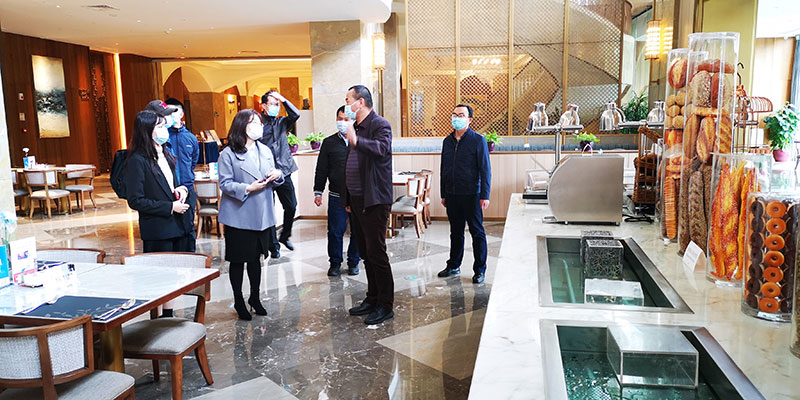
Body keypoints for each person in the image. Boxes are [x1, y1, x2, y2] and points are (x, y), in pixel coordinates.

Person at [218, 109, 284, 321]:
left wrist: (278, 174)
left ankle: (255, 297)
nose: (258, 126)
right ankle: (238, 300)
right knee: (238, 261)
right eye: (253, 122)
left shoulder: (264, 149)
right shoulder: (228, 154)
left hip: (262, 215)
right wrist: (247, 188)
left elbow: (274, 174)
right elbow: (225, 184)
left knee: (256, 259)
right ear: (241, 126)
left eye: (259, 122)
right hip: (239, 215)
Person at [341, 85, 395, 325]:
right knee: (365, 252)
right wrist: (347, 199)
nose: (346, 105)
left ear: (360, 102)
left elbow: (381, 149)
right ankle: (372, 298)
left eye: (348, 100)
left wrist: (356, 139)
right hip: (357, 199)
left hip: (374, 199)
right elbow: (349, 163)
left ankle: (385, 304)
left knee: (376, 252)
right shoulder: (356, 126)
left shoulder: (380, 124)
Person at [437, 104, 492, 284]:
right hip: (452, 194)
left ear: (469, 120)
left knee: (477, 232)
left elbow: (485, 169)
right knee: (456, 232)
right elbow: (444, 169)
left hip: (472, 194)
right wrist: (443, 192)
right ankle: (454, 265)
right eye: (454, 114)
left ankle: (480, 269)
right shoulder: (447, 141)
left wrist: (485, 195)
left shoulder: (478, 140)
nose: (456, 118)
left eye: (461, 115)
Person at [124, 110, 192, 254]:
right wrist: (170, 207)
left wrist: (182, 190)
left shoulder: (165, 153)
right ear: (146, 131)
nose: (164, 130)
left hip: (178, 226)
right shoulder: (137, 160)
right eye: (159, 126)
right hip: (158, 231)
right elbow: (136, 200)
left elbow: (170, 185)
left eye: (164, 126)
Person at [313, 106, 361, 277]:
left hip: (357, 195)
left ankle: (354, 262)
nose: (343, 122)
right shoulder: (329, 142)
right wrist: (318, 192)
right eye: (340, 119)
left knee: (358, 231)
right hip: (336, 195)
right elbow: (321, 169)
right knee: (335, 231)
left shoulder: (361, 141)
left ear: (354, 121)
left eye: (346, 119)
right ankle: (335, 263)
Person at [259, 90, 300, 257]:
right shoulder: (258, 124)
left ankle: (284, 235)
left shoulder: (282, 122)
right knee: (269, 210)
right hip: (266, 173)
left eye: (277, 104)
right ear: (263, 106)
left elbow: (296, 114)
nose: (275, 107)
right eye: (272, 104)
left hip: (283, 171)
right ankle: (273, 246)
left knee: (291, 206)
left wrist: (283, 99)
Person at [165, 98, 199, 249]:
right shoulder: (163, 136)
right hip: (168, 191)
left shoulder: (191, 138)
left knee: (188, 228)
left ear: (181, 114)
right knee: (171, 230)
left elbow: (193, 162)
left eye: (174, 111)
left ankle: (190, 257)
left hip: (187, 189)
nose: (171, 115)